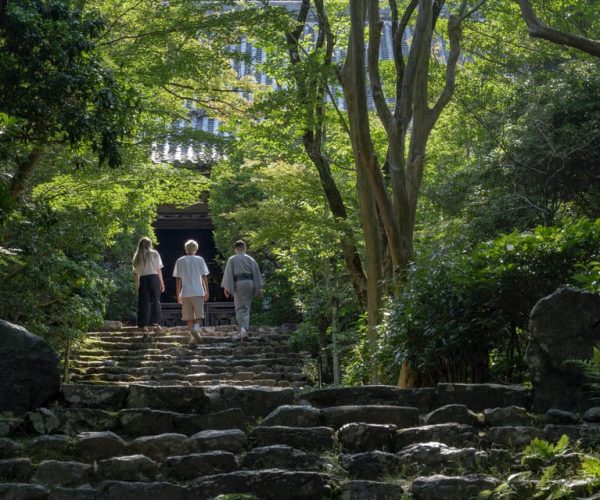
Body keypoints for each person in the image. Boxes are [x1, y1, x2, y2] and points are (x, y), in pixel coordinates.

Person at [221, 240, 264, 339]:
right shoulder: (251, 259)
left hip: (239, 283)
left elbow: (228, 274)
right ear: (244, 248)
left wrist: (227, 288)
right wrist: (259, 288)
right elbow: (256, 274)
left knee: (240, 308)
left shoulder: (232, 259)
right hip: (250, 283)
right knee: (246, 307)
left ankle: (243, 329)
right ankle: (245, 328)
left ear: (235, 249)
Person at [173, 239, 210, 343]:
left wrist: (178, 294)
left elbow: (178, 280)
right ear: (196, 249)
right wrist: (207, 290)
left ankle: (192, 339)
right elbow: (204, 277)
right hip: (198, 291)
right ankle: (196, 329)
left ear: (186, 249)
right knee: (199, 316)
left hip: (185, 292)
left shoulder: (180, 260)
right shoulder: (200, 260)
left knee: (189, 318)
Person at [132, 237, 165, 339]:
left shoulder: (137, 256)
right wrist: (162, 282)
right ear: (150, 244)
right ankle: (156, 324)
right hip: (154, 277)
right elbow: (158, 269)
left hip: (143, 279)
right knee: (156, 300)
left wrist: (137, 285)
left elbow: (136, 274)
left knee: (144, 302)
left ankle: (145, 328)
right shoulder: (154, 253)